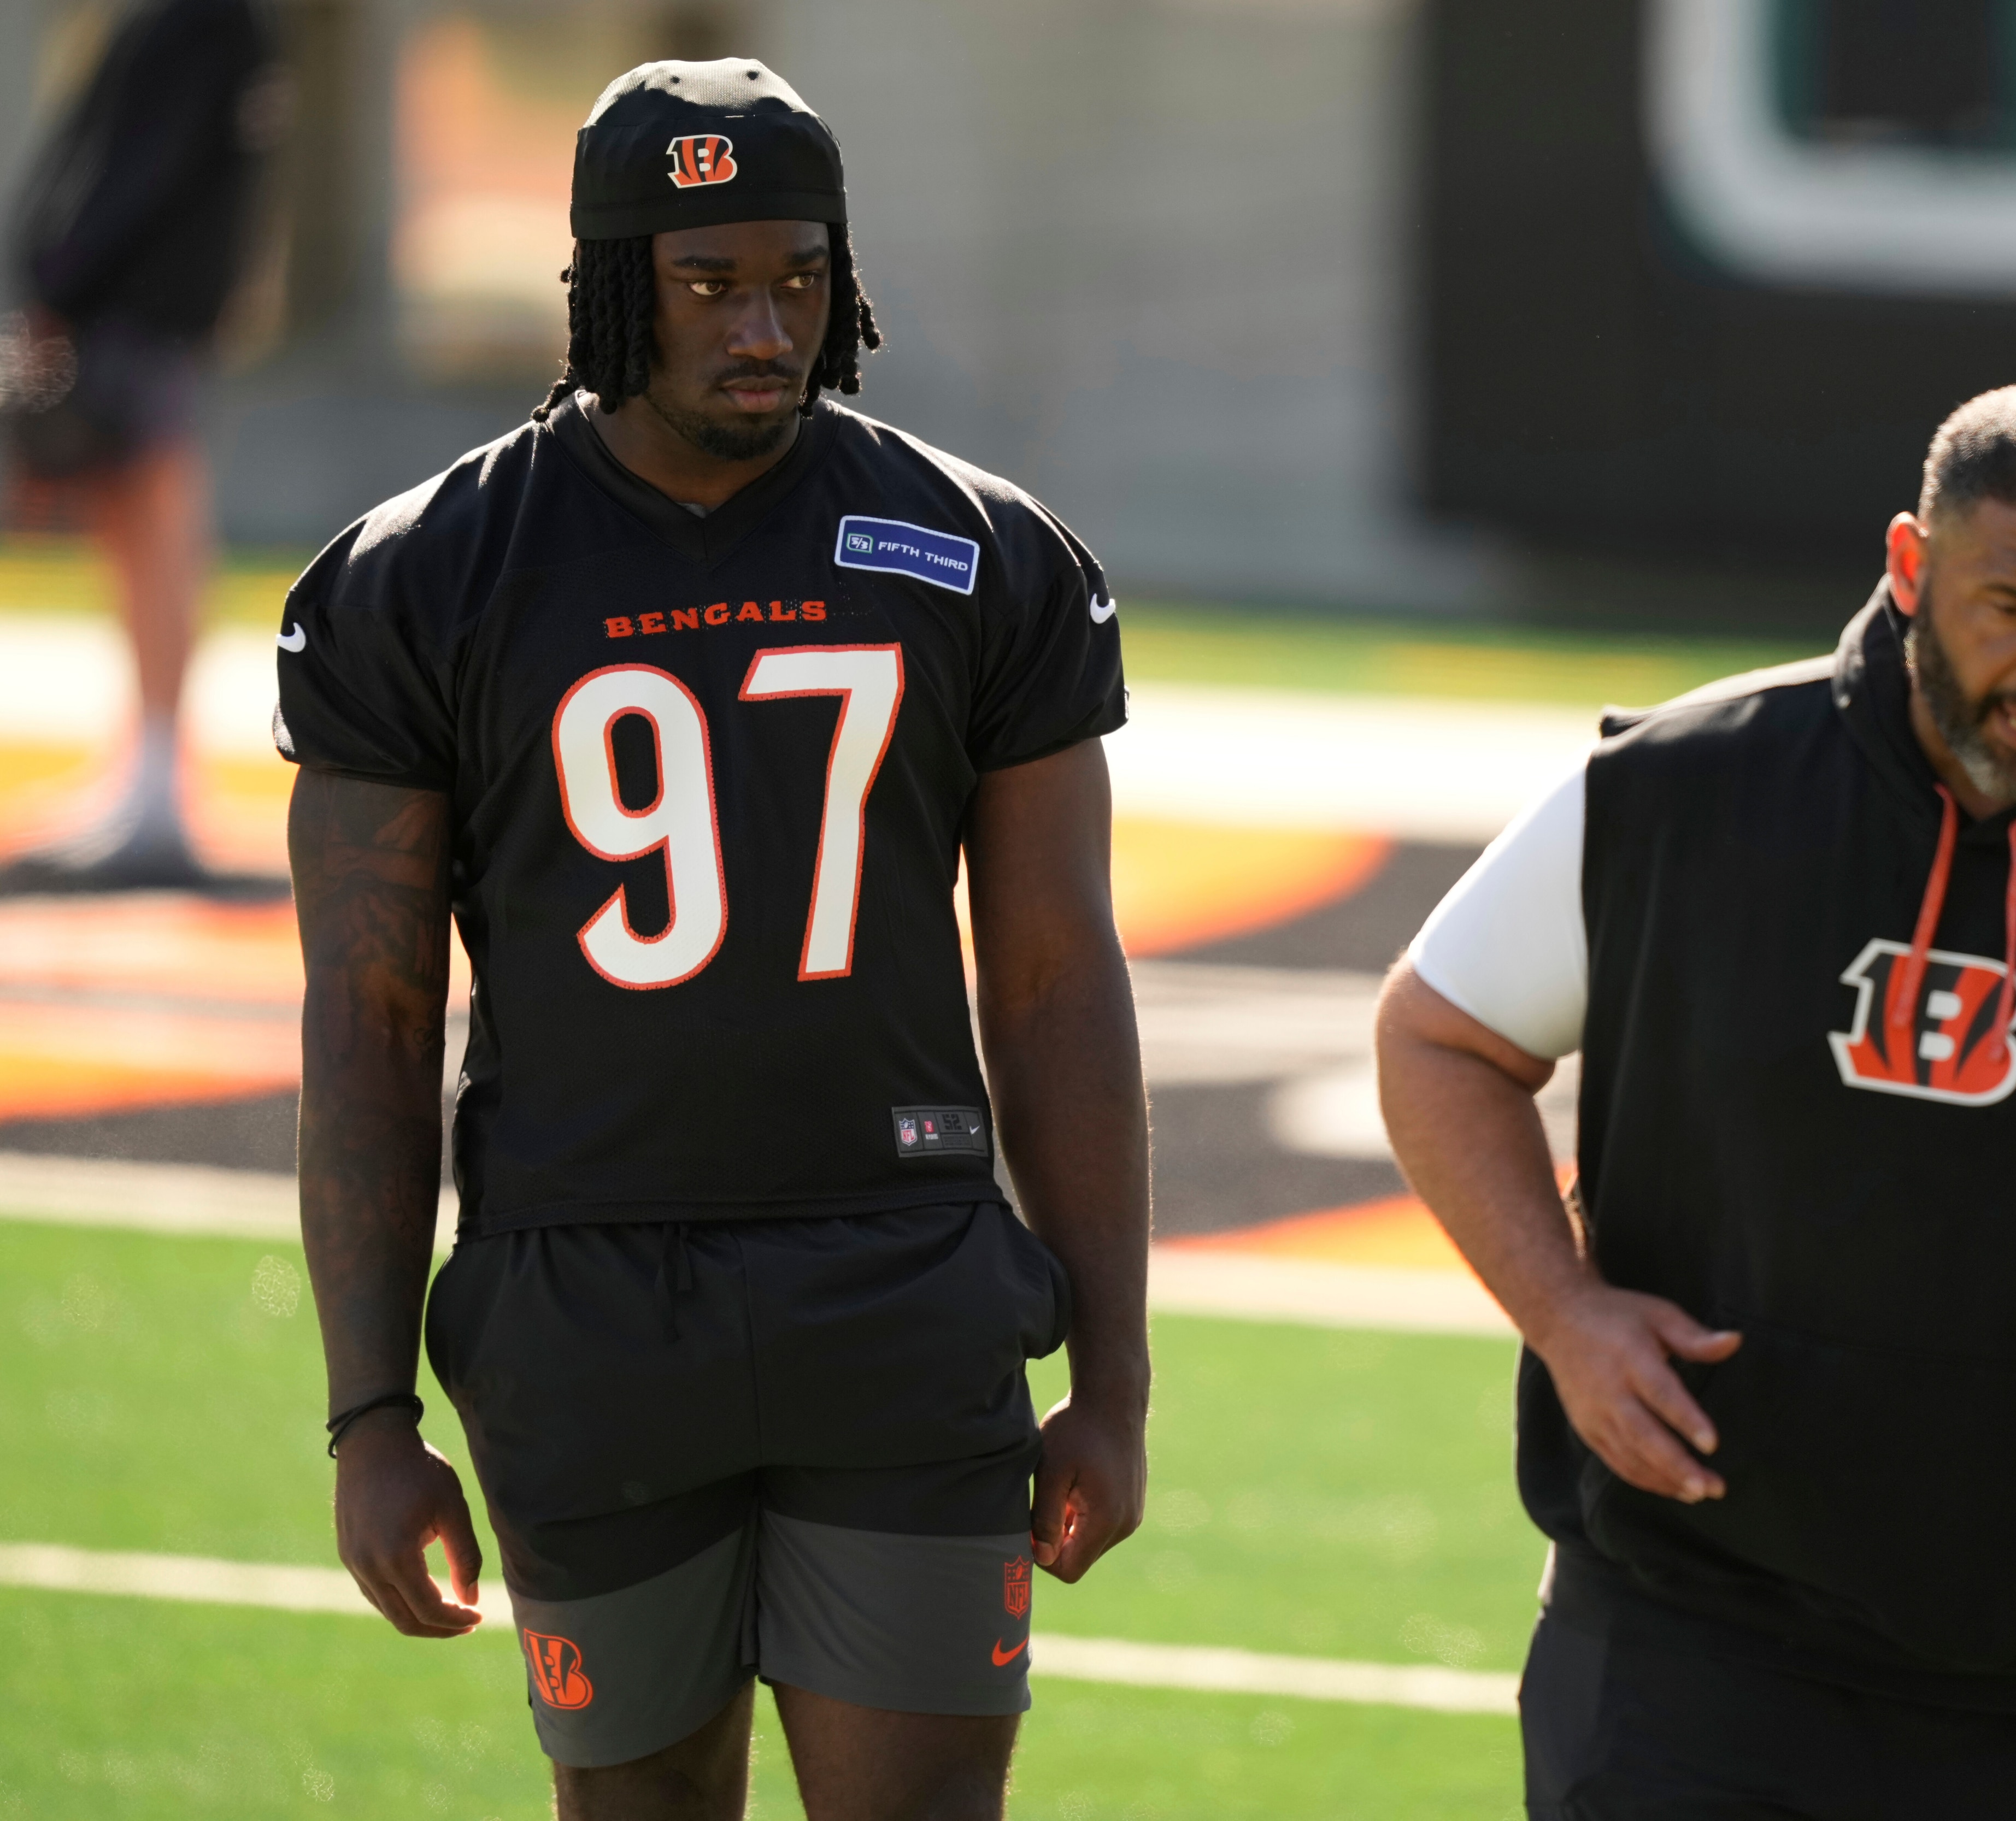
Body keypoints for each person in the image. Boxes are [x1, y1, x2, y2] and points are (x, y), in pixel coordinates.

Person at [275, 61, 1148, 1820]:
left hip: (899, 1288)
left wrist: (1116, 1380)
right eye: (709, 283)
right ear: (610, 289)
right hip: (584, 1301)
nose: (767, 327)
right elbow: (370, 1017)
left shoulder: (984, 555)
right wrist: (370, 1412)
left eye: (801, 278)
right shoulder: (421, 577)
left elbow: (1055, 980)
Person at [1377, 384, 2016, 1819]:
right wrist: (1564, 1310)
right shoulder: (1689, 784)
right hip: (1701, 1640)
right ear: (1911, 566)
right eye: (2011, 606)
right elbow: (1436, 1033)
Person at [2, 0, 279, 892]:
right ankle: (147, 766)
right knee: (130, 522)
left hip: (133, 317)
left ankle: (158, 777)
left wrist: (55, 289)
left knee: (154, 518)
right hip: (145, 313)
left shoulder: (201, 22)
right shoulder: (205, 25)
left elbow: (136, 176)